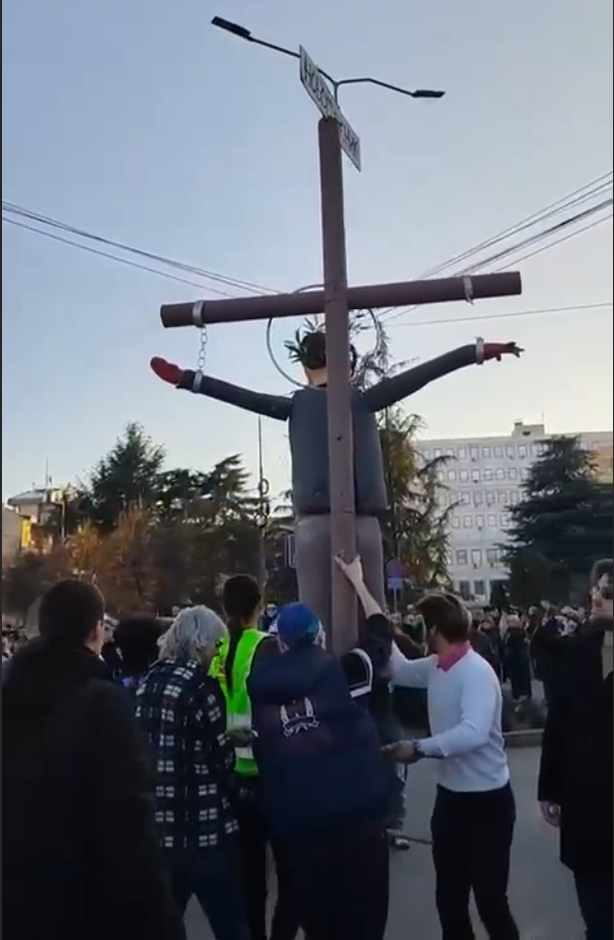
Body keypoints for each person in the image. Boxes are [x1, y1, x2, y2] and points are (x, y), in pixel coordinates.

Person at [2, 579, 185, 940]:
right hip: (88, 907)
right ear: (96, 630)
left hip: (20, 906)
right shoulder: (101, 703)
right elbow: (130, 828)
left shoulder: (11, 700)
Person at [247, 594, 391, 940]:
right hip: (357, 826)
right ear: (320, 637)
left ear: (282, 643)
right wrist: (358, 583)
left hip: (301, 834)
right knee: (364, 926)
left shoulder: (261, 692)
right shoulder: (348, 672)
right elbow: (381, 637)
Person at [383, 590, 520, 940]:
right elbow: (399, 670)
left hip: (488, 802)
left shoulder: (475, 672)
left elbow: (474, 732)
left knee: (491, 901)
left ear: (433, 629)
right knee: (449, 898)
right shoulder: (437, 666)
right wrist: (375, 614)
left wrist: (418, 747)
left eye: (422, 625)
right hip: (451, 800)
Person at [135, 606, 250, 940]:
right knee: (231, 925)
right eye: (216, 645)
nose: (216, 653)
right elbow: (221, 762)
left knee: (163, 926)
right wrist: (242, 785)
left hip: (162, 830)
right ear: (200, 643)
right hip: (205, 830)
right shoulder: (202, 686)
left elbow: (167, 739)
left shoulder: (149, 681)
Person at [211, 574, 300, 940]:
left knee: (249, 878)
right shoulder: (266, 646)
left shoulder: (217, 649)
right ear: (259, 605)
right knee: (292, 876)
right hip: (270, 770)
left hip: (232, 772)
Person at [537, 591, 613, 939]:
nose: (597, 599)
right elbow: (558, 722)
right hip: (587, 806)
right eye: (597, 590)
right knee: (598, 919)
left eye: (609, 592)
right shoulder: (577, 651)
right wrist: (549, 788)